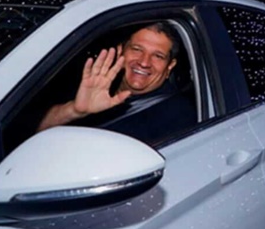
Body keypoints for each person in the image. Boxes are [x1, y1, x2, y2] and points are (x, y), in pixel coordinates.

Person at [38, 22, 196, 144]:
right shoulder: (91, 85)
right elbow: (32, 135)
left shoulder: (177, 114)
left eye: (158, 56)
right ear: (121, 51)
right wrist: (74, 111)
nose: (144, 62)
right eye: (137, 49)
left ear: (170, 66)